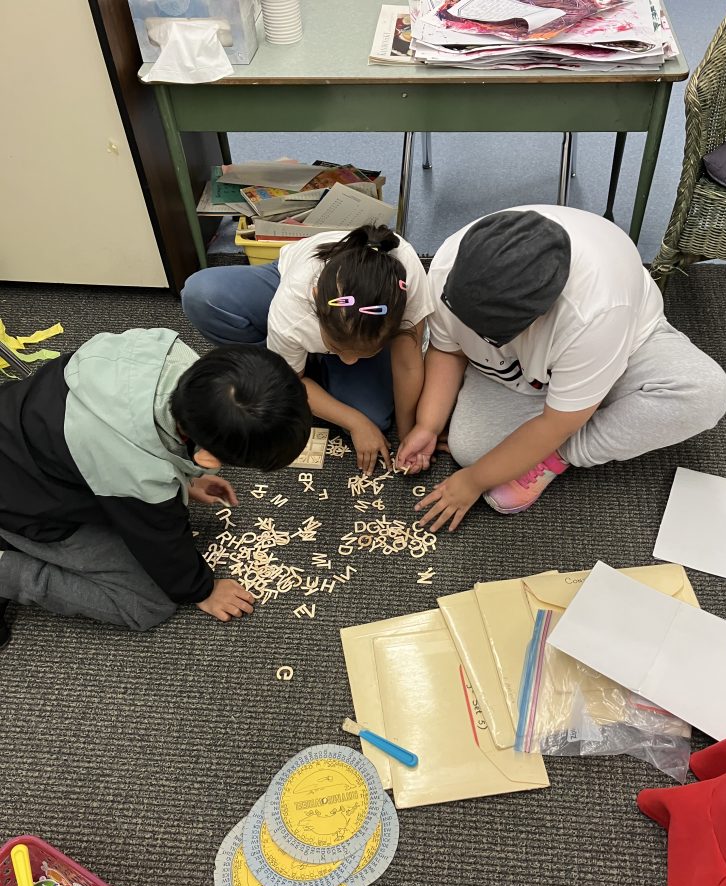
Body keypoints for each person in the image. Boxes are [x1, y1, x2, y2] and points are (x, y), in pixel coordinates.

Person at [396, 206, 726, 532]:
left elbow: (557, 424)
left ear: (541, 314)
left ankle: (561, 452)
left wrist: (473, 482)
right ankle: (580, 405)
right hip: (518, 374)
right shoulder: (448, 264)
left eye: (489, 335)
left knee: (702, 392)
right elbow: (448, 351)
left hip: (618, 344)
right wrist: (428, 425)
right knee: (470, 450)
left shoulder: (595, 314)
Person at [0, 329, 312, 649]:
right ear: (206, 456)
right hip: (21, 504)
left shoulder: (172, 355)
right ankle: (6, 570)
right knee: (148, 605)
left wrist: (187, 477)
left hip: (21, 420)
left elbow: (150, 430)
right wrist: (202, 590)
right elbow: (159, 540)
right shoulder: (137, 473)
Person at [181, 224, 434, 476]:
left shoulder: (406, 280)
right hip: (290, 287)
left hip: (358, 323)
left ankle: (312, 359)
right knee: (203, 295)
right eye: (336, 347)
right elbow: (289, 383)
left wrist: (409, 432)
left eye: (363, 353)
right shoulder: (293, 305)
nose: (349, 360)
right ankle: (284, 357)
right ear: (315, 299)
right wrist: (355, 421)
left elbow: (407, 364)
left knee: (376, 417)